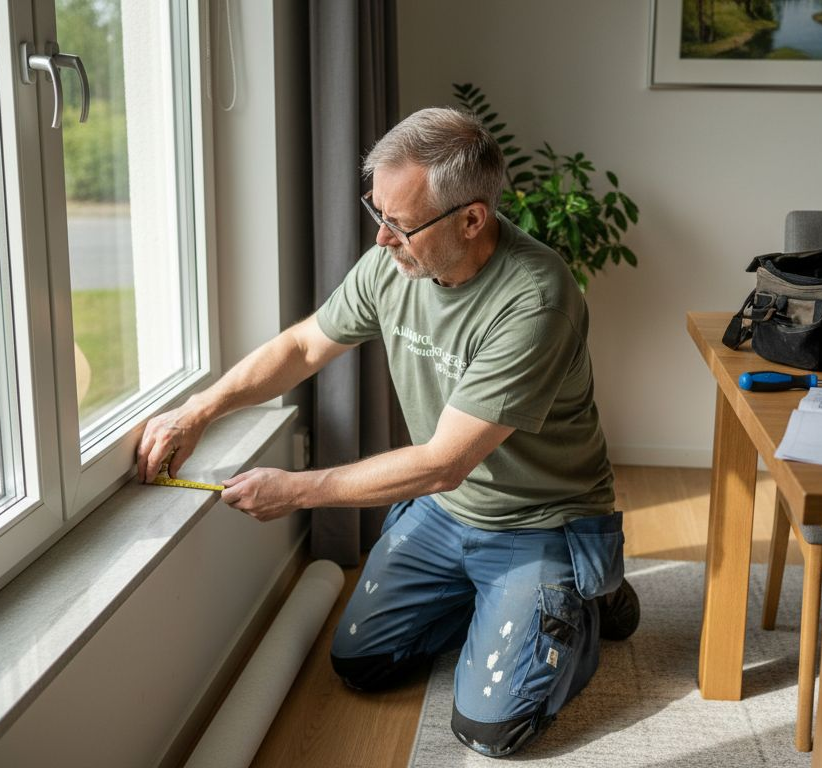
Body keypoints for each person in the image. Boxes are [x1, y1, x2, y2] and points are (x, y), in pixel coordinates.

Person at [135, 106, 638, 757]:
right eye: (378, 214)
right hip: (444, 512)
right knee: (362, 665)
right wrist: (196, 410)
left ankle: (590, 598)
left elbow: (442, 462)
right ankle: (495, 601)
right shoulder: (396, 263)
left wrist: (297, 491)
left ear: (472, 218)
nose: (380, 240)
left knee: (490, 731)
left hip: (538, 518)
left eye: (399, 224)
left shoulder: (534, 298)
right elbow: (302, 347)